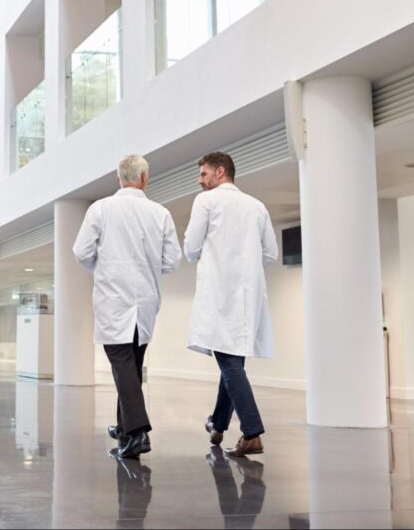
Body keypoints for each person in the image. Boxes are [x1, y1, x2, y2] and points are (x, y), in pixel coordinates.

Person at [73, 154, 181, 460]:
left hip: (113, 299)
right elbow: (172, 261)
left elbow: (81, 251)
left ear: (118, 178)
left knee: (122, 365)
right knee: (131, 366)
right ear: (145, 178)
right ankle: (124, 428)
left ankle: (137, 433)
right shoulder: (160, 213)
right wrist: (147, 267)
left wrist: (104, 267)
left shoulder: (101, 208)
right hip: (145, 302)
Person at [184, 152, 277, 458]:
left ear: (220, 172)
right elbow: (270, 253)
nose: (200, 180)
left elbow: (191, 247)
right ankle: (218, 423)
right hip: (247, 295)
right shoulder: (257, 206)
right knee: (232, 361)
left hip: (219, 292)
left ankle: (252, 433)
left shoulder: (206, 202)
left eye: (203, 174)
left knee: (228, 361)